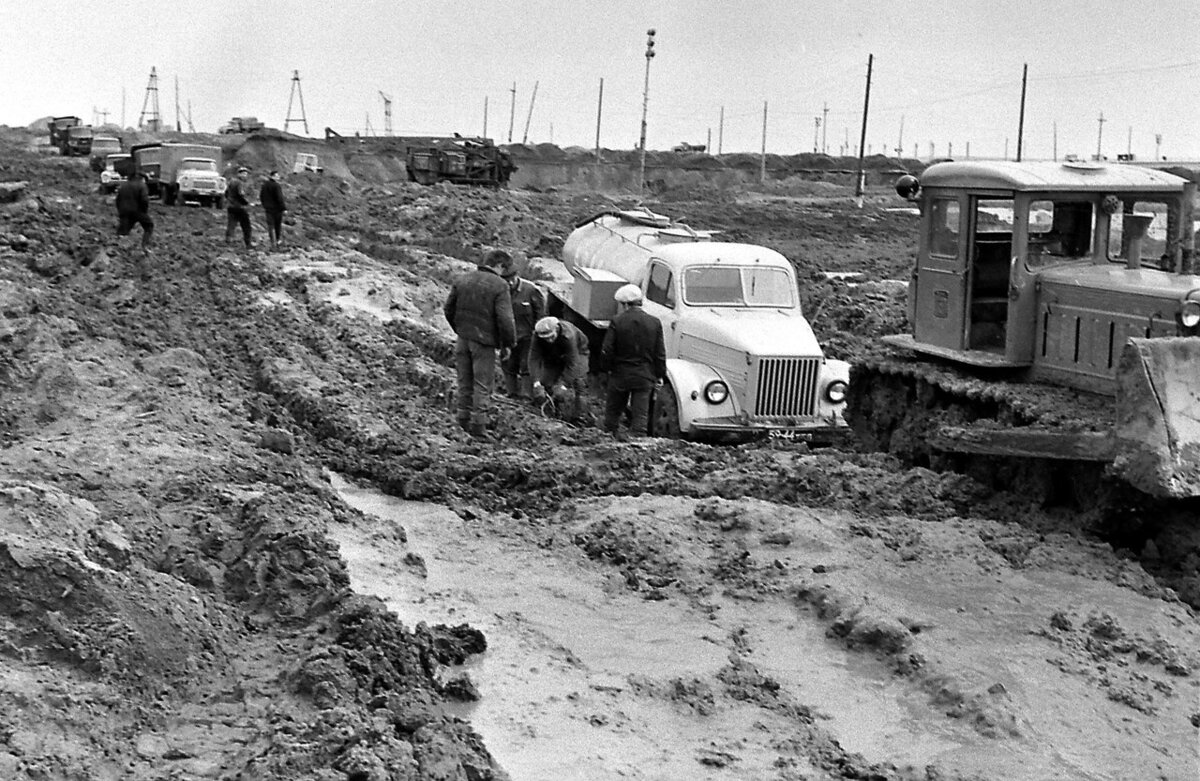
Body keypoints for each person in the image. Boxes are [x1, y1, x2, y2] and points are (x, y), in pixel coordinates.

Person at [443, 249, 517, 436]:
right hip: (483, 343)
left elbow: (448, 309)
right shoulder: (500, 285)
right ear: (499, 266)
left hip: (463, 338)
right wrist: (507, 344)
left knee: (464, 381)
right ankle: (478, 426)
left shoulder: (463, 279)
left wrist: (460, 330)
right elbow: (505, 320)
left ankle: (462, 419)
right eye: (505, 269)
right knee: (482, 384)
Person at [601, 284, 667, 438]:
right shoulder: (654, 322)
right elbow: (660, 353)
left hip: (620, 375)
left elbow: (607, 350)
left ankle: (607, 444)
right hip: (644, 376)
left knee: (612, 417)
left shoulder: (617, 321)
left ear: (625, 304)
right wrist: (659, 375)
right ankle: (637, 450)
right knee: (640, 419)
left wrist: (607, 369)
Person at [529, 316, 591, 424]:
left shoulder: (568, 336)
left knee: (580, 383)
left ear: (556, 330)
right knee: (546, 382)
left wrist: (564, 385)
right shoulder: (537, 337)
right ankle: (552, 412)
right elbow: (533, 359)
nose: (549, 340)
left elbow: (573, 363)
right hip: (553, 354)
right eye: (545, 339)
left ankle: (580, 418)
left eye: (551, 337)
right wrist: (536, 383)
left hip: (578, 352)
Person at [500, 264, 545, 399]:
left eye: (511, 279)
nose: (509, 283)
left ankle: (526, 396)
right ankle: (511, 393)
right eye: (505, 280)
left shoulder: (530, 290)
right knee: (508, 364)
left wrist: (537, 335)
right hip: (508, 335)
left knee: (526, 366)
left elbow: (541, 314)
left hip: (527, 336)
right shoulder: (500, 291)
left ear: (516, 276)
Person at [114, 172, 154, 253]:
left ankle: (117, 248)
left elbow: (117, 200)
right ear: (142, 178)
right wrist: (144, 211)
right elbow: (144, 200)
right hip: (137, 211)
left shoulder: (123, 186)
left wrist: (120, 212)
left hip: (124, 212)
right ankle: (144, 247)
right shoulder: (142, 185)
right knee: (149, 225)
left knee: (123, 230)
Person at [225, 166, 253, 249]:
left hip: (231, 206)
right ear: (239, 174)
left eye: (246, 174)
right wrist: (247, 203)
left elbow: (226, 193)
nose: (246, 176)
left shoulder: (231, 182)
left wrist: (230, 200)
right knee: (246, 226)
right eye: (244, 174)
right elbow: (240, 195)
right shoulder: (239, 183)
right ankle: (248, 243)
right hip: (240, 207)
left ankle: (228, 240)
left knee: (231, 224)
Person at [259, 170, 286, 250]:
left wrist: (264, 205)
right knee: (277, 226)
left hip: (268, 209)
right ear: (272, 176)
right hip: (277, 209)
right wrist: (283, 208)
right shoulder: (276, 186)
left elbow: (261, 196)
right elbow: (279, 198)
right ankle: (277, 242)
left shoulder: (264, 185)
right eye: (277, 176)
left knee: (271, 226)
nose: (278, 177)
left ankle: (272, 243)